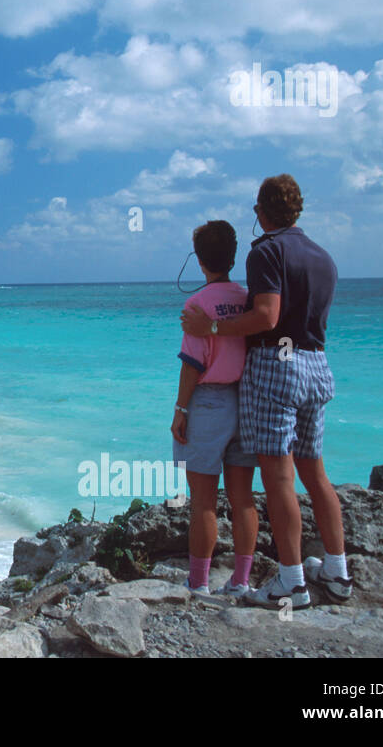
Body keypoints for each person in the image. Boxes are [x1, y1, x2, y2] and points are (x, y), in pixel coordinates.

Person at [182, 174, 349, 610]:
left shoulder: (267, 251)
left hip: (278, 367)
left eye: (256, 209)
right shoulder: (324, 257)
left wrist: (212, 327)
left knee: (278, 477)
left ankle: (292, 582)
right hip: (317, 363)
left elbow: (267, 315)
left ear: (262, 211)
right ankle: (338, 570)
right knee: (316, 473)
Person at [171, 221, 259, 596]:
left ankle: (200, 583)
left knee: (204, 501)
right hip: (246, 399)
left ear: (200, 260)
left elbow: (192, 364)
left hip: (208, 403)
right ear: (233, 256)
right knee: (243, 497)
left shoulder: (197, 306)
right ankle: (240, 580)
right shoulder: (248, 300)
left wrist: (181, 410)